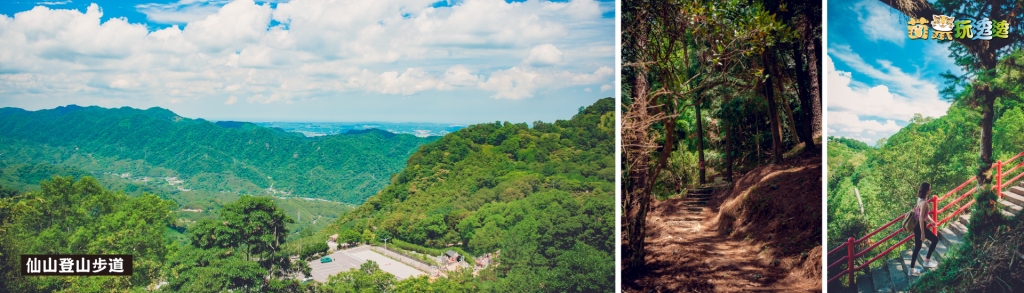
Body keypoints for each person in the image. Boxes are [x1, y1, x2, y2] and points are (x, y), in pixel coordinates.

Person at [907, 182, 940, 275]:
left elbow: (924, 214)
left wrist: (931, 221)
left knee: (918, 247)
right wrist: (923, 233)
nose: (930, 190)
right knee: (935, 239)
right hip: (919, 226)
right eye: (929, 188)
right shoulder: (924, 202)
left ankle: (911, 269)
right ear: (926, 190)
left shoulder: (920, 199)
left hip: (916, 226)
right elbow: (921, 218)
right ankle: (927, 261)